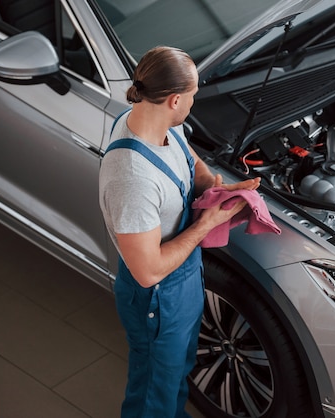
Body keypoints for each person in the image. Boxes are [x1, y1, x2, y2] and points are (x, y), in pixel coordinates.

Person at [98, 46, 260, 418]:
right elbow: (148, 270)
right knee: (155, 385)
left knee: (175, 373)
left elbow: (187, 154)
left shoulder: (154, 119)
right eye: (193, 95)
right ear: (174, 99)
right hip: (156, 296)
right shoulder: (132, 179)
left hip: (181, 282)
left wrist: (209, 183)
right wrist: (205, 225)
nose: (193, 102)